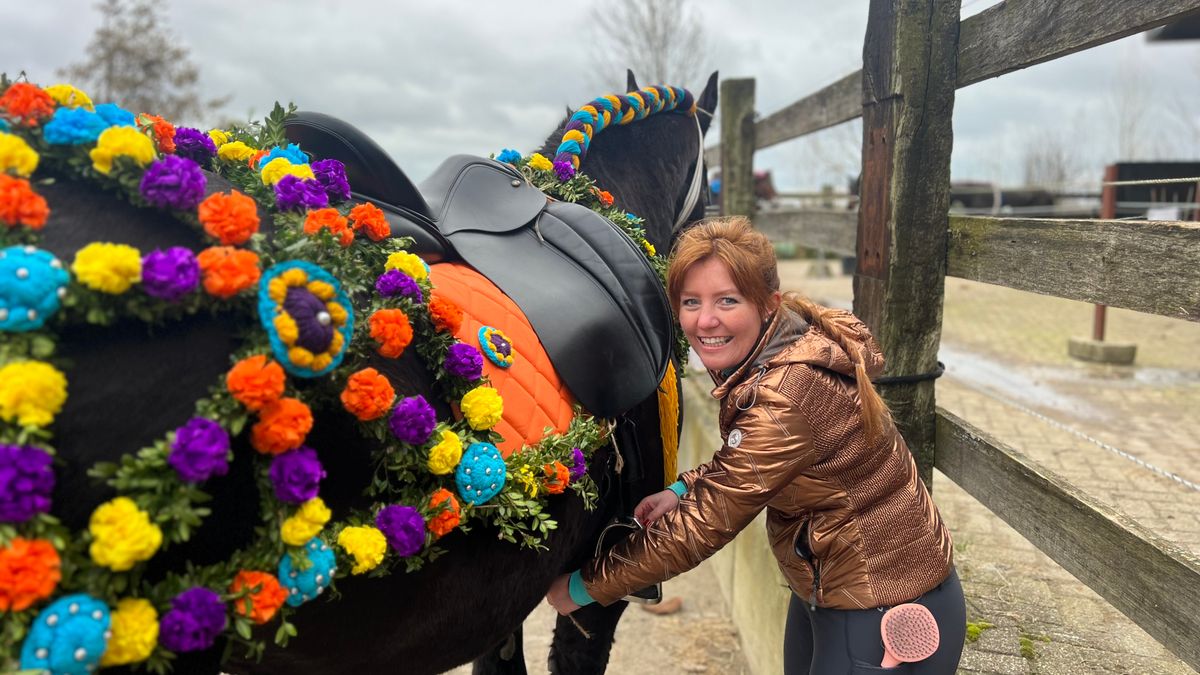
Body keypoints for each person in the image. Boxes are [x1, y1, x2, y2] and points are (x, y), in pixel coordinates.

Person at [546, 216, 966, 673]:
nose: (705, 320)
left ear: (768, 305)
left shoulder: (787, 394)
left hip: (883, 605)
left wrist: (583, 589)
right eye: (691, 302)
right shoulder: (780, 351)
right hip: (832, 586)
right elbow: (747, 464)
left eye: (727, 300)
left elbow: (707, 524)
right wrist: (681, 491)